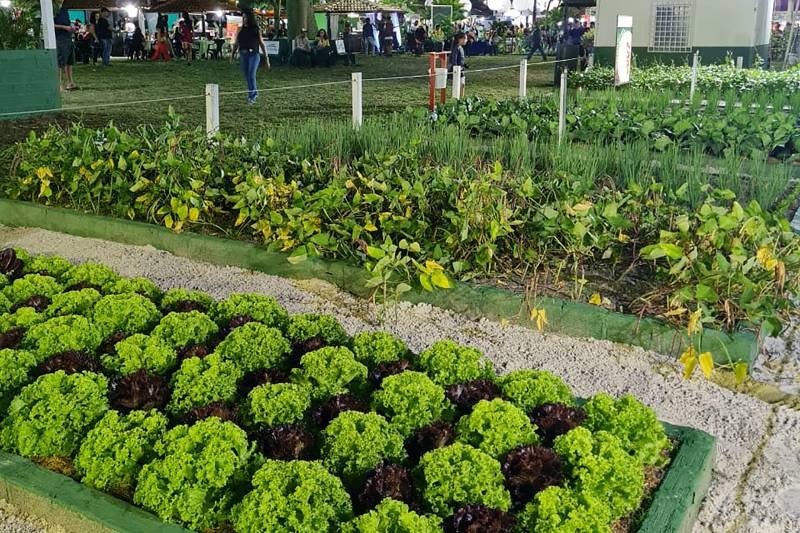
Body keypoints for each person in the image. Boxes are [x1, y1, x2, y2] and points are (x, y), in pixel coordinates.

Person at [231, 9, 268, 104]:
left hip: (254, 54)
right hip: (243, 54)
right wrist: (232, 55)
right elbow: (236, 43)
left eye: (246, 17)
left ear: (250, 18)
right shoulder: (240, 29)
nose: (244, 19)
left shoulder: (256, 30)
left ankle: (253, 95)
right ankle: (252, 93)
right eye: (243, 17)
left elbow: (262, 44)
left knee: (251, 74)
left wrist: (266, 58)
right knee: (247, 75)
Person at [53, 1, 76, 90]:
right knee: (60, 63)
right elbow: (50, 24)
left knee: (69, 62)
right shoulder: (52, 9)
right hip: (59, 39)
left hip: (68, 37)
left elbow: (67, 23)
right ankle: (59, 85)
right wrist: (64, 27)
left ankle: (70, 83)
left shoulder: (64, 9)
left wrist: (71, 28)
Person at [449, 31, 467, 98]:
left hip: (461, 69)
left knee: (462, 84)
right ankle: (456, 98)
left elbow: (461, 59)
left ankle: (461, 98)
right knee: (457, 85)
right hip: (457, 70)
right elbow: (454, 59)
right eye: (465, 39)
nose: (466, 40)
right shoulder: (456, 48)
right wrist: (456, 69)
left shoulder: (461, 47)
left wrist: (464, 65)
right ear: (460, 39)